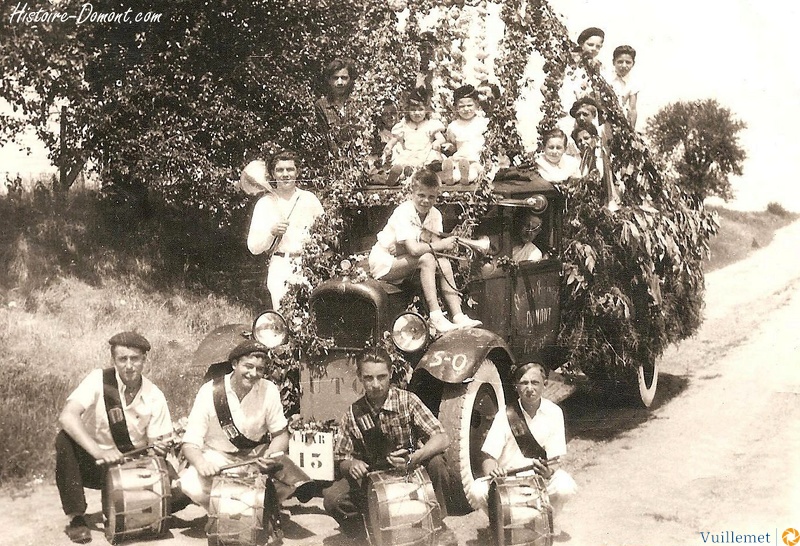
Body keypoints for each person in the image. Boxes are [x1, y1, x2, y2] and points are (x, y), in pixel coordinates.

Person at [322, 349, 457, 546]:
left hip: (411, 469)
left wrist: (417, 456)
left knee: (437, 463)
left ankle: (437, 522)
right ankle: (369, 533)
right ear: (359, 377)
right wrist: (351, 464)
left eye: (381, 377)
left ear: (391, 373)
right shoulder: (353, 413)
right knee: (332, 498)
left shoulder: (407, 401)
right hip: (374, 476)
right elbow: (340, 457)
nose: (375, 385)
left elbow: (442, 437)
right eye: (368, 378)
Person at [56, 331, 173, 544]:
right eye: (122, 359)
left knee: (177, 493)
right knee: (64, 439)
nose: (129, 366)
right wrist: (99, 451)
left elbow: (156, 446)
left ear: (144, 360)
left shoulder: (154, 395)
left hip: (128, 466)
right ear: (114, 360)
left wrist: (160, 449)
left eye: (135, 359)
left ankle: (123, 504)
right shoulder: (98, 379)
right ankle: (77, 518)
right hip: (93, 463)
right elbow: (67, 416)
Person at [178, 340, 310, 511]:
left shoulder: (268, 390)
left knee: (291, 484)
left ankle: (248, 508)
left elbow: (280, 435)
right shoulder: (209, 391)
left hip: (254, 458)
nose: (253, 373)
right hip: (217, 458)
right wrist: (201, 463)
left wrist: (271, 454)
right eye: (248, 366)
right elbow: (190, 442)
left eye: (260, 369)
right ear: (234, 364)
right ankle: (227, 511)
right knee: (189, 485)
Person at [469, 360, 577, 539]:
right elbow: (488, 456)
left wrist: (548, 471)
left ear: (545, 384)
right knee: (477, 490)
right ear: (516, 386)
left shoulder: (554, 413)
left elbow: (555, 459)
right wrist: (494, 471)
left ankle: (545, 521)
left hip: (539, 482)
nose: (529, 388)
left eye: (535, 382)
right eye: (524, 383)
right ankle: (501, 524)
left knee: (565, 485)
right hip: (508, 484)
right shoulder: (506, 414)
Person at [368, 168, 482, 333]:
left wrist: (442, 245)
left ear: (437, 196)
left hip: (403, 259)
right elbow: (415, 250)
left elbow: (434, 248)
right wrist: (441, 244)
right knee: (427, 259)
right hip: (384, 262)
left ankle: (458, 315)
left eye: (431, 197)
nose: (426, 201)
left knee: (443, 263)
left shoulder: (435, 214)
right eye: (421, 195)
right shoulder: (403, 211)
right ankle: (436, 316)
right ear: (412, 192)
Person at [247, 150, 324, 310]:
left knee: (312, 317)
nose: (285, 174)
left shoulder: (309, 199)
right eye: (280, 170)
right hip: (280, 267)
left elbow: (325, 235)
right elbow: (253, 247)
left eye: (290, 169)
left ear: (297, 171)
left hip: (308, 267)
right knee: (284, 317)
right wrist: (271, 232)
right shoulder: (265, 204)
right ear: (273, 174)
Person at [382, 87, 446, 186]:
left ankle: (435, 175)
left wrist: (437, 142)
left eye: (420, 109)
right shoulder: (404, 125)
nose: (417, 113)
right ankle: (396, 177)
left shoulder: (430, 125)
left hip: (425, 153)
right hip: (409, 154)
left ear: (427, 110)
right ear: (407, 110)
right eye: (413, 110)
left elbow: (441, 138)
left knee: (433, 161)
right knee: (403, 164)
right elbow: (395, 139)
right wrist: (389, 146)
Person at [441, 84, 489, 185]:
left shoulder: (483, 123)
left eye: (469, 105)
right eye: (461, 106)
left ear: (476, 105)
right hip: (460, 159)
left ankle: (466, 178)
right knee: (457, 171)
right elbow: (454, 146)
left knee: (474, 171)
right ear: (456, 108)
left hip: (476, 159)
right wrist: (450, 147)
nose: (466, 109)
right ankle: (451, 178)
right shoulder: (453, 126)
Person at [315, 58, 358, 154]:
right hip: (335, 162)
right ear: (329, 80)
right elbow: (324, 139)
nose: (339, 82)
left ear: (350, 80)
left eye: (344, 78)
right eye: (335, 78)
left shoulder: (358, 103)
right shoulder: (322, 105)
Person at [607, 45, 639, 128]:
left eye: (628, 62)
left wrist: (631, 129)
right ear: (613, 62)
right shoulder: (606, 77)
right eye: (620, 62)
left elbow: (632, 108)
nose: (624, 66)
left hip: (619, 120)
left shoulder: (633, 82)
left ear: (633, 63)